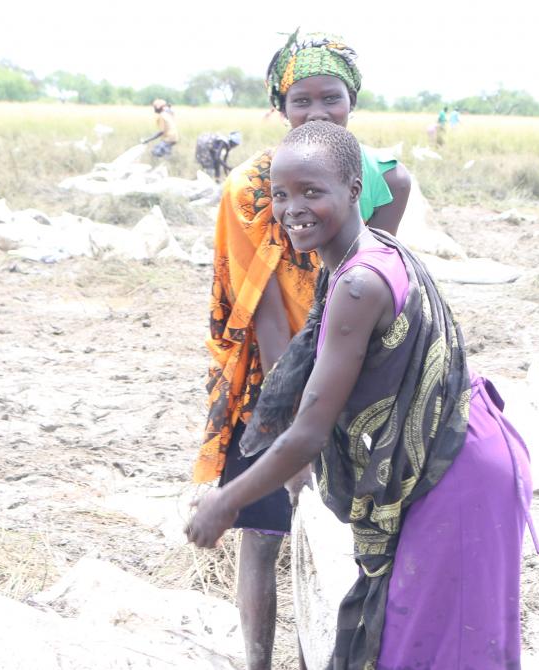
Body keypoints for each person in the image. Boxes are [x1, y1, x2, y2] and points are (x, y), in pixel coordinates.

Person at [187, 120, 533, 670]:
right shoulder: (358, 258)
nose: (292, 209)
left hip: (457, 472)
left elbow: (309, 432)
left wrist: (226, 503)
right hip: (455, 459)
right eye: (280, 195)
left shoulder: (358, 283)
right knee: (407, 640)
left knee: (433, 648)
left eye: (311, 192)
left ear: (354, 190)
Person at [195, 30, 412, 670]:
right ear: (280, 108)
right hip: (273, 375)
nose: (317, 113)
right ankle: (258, 661)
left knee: (354, 530)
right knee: (263, 530)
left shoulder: (386, 181)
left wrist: (335, 405)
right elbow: (264, 312)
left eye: (332, 99)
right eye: (301, 102)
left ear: (354, 103)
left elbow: (364, 284)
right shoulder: (250, 191)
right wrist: (290, 422)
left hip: (355, 369)